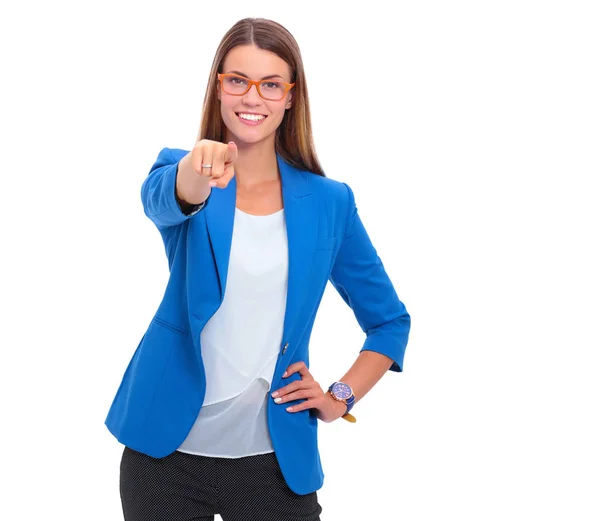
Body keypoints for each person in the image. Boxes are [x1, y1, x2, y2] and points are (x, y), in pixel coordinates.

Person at [105, 17, 410, 521]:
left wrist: (339, 396)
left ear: (290, 97)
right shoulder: (186, 173)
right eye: (237, 81)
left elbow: (390, 322)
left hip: (275, 461)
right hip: (165, 458)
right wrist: (196, 168)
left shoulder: (330, 202)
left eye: (270, 84)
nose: (253, 98)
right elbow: (162, 200)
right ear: (218, 88)